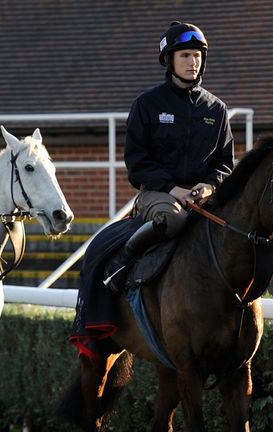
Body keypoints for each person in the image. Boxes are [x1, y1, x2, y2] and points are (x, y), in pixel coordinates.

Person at [103, 21, 234, 292]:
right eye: (185, 55)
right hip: (158, 194)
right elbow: (136, 163)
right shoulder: (147, 104)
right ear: (169, 60)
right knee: (174, 220)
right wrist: (174, 190)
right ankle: (122, 262)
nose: (193, 62)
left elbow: (225, 164)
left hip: (203, 196)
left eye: (197, 55)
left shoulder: (217, 109)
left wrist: (209, 186)